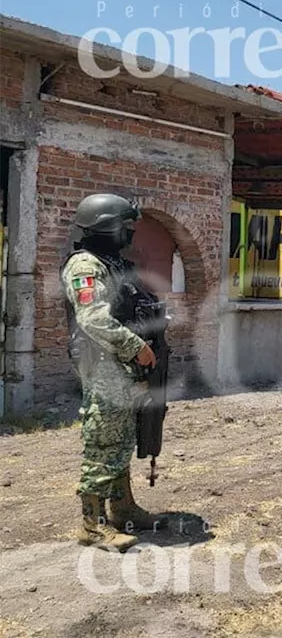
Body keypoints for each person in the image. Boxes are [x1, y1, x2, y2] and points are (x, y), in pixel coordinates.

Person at [62, 193, 168, 552]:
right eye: (125, 228)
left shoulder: (113, 264)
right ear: (106, 227)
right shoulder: (85, 268)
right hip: (104, 367)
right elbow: (92, 318)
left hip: (122, 368)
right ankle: (92, 525)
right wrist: (136, 346)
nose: (130, 234)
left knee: (122, 440)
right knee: (103, 443)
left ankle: (122, 509)